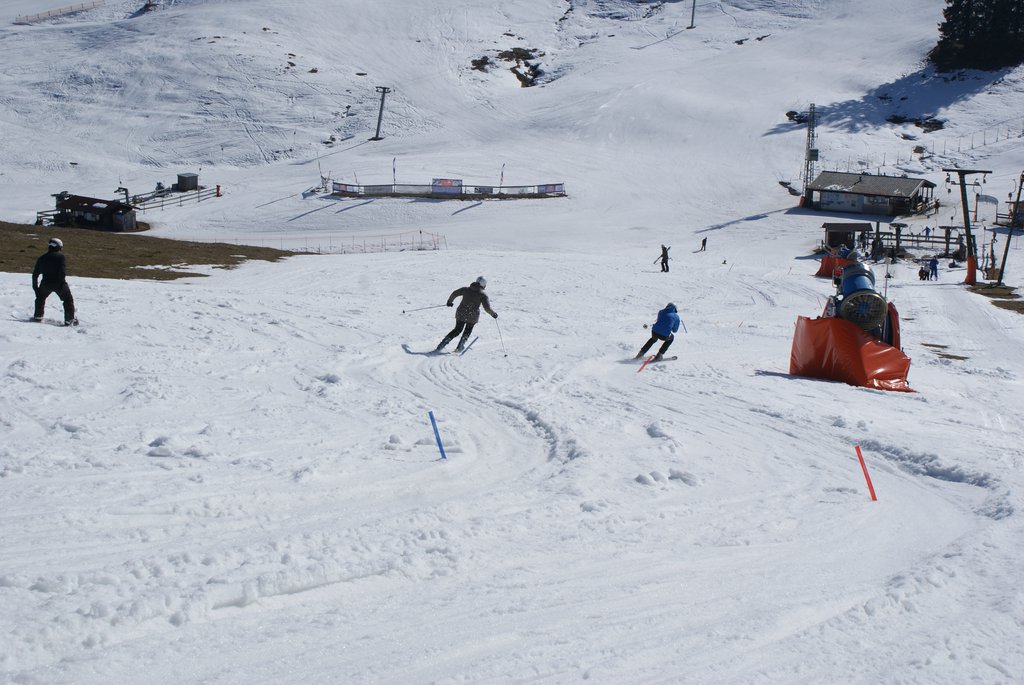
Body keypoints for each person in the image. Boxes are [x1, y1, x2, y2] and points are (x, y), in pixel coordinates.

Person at [435, 276, 497, 353]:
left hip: (461, 313)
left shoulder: (466, 289)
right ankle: (459, 347)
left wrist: (449, 301)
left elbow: (455, 293)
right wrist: (493, 314)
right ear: (484, 285)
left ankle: (441, 345)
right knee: (467, 331)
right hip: (472, 316)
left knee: (457, 330)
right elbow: (487, 308)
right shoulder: (483, 295)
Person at [32, 238, 76, 325]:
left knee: (40, 298)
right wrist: (61, 283)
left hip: (45, 284)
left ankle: (38, 316)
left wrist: (35, 287)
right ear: (59, 247)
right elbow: (62, 272)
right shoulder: (61, 257)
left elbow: (35, 274)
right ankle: (69, 320)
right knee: (68, 300)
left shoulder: (42, 258)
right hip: (59, 284)